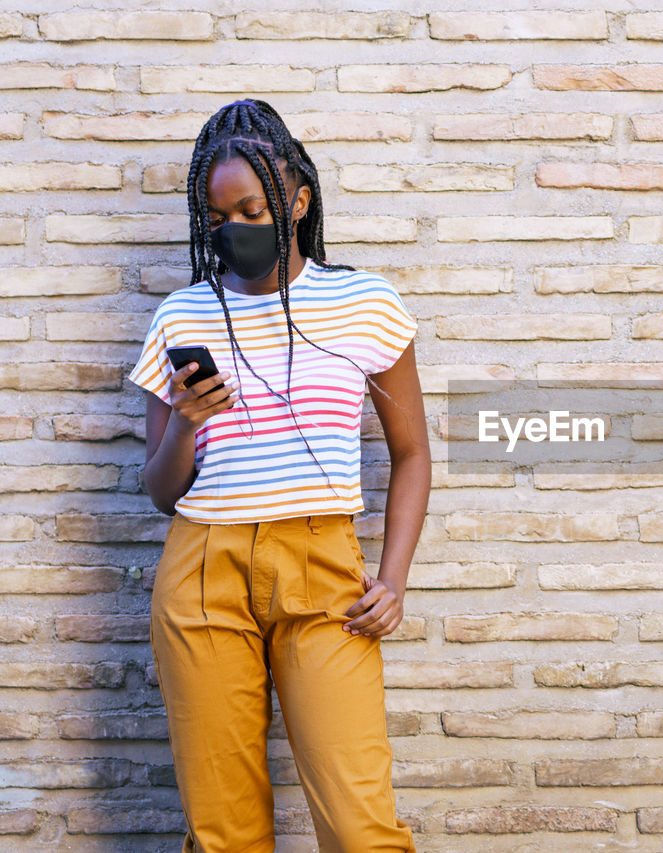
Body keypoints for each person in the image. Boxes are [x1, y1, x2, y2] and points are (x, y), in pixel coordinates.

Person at [128, 99, 428, 852]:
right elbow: (161, 490)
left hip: (324, 568)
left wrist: (392, 578)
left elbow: (412, 451)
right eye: (218, 215)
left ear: (295, 202)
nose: (234, 229)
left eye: (251, 208)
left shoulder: (366, 302)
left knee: (363, 828)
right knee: (223, 832)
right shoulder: (181, 317)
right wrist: (191, 418)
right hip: (202, 570)